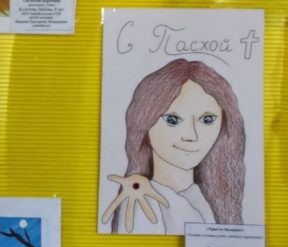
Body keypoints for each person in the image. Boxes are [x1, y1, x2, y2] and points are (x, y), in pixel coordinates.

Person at [102, 58, 245, 234]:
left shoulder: (204, 196)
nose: (191, 136)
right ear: (144, 122)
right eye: (172, 120)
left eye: (207, 120)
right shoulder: (142, 201)